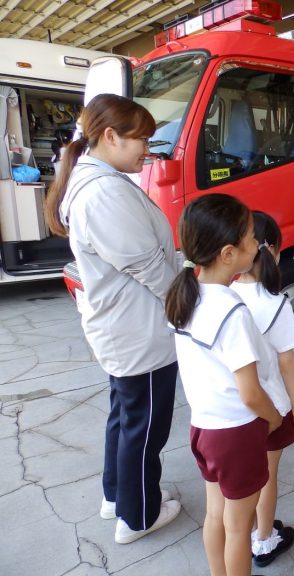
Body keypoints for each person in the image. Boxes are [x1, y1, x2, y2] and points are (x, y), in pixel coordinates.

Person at [44, 94, 181, 544]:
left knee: (125, 416)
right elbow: (150, 268)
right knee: (144, 426)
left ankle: (116, 495)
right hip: (137, 330)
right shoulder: (102, 192)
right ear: (109, 136)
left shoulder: (96, 180)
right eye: (141, 139)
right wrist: (191, 302)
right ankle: (138, 516)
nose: (148, 148)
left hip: (123, 326)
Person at [166, 194, 282, 576]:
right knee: (239, 528)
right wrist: (275, 418)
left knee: (215, 516)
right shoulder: (230, 310)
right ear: (229, 253)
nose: (258, 246)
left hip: (203, 428)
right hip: (235, 434)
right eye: (252, 238)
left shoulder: (186, 296)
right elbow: (250, 393)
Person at [231, 211, 294, 567]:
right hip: (271, 407)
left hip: (235, 409)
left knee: (247, 478)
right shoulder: (275, 302)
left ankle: (252, 528)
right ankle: (264, 538)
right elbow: (288, 362)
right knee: (267, 476)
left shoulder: (225, 294)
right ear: (272, 250)